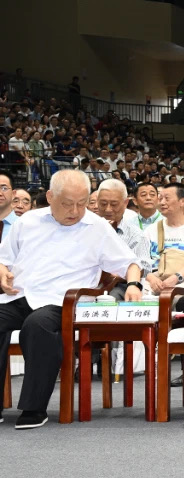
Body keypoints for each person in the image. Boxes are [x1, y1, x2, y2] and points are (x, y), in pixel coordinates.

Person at [0, 169, 144, 429]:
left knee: (38, 325)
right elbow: (4, 258)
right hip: (22, 296)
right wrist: (2, 271)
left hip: (64, 302)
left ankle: (34, 408)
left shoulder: (97, 227)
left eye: (82, 203)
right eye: (67, 204)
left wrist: (133, 283)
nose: (76, 211)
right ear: (49, 197)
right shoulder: (28, 221)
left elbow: (129, 262)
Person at [144, 185, 184, 293]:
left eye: (167, 198)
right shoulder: (151, 230)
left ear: (183, 201)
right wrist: (152, 279)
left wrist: (176, 278)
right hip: (152, 283)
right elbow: (142, 261)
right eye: (160, 199)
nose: (162, 203)